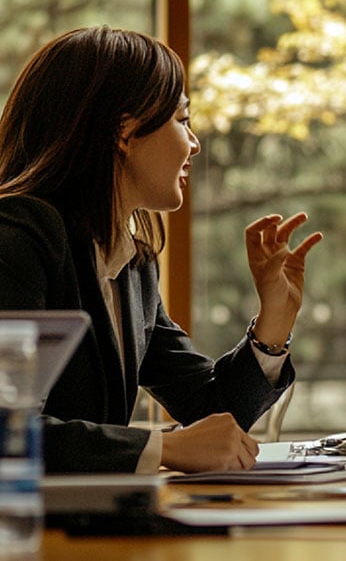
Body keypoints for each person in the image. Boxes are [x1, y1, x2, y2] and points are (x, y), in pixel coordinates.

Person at [0, 26, 323, 474]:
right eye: (183, 120)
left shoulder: (132, 265)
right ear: (125, 131)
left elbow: (211, 410)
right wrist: (161, 448)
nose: (194, 144)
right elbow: (8, 430)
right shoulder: (19, 236)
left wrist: (275, 317)